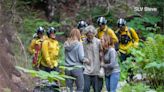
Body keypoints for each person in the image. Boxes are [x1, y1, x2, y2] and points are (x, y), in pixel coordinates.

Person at [83, 25, 103, 92]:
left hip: (96, 70)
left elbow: (102, 53)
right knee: (85, 89)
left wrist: (102, 67)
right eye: (88, 35)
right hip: (86, 70)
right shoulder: (83, 42)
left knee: (97, 90)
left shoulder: (98, 42)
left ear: (94, 34)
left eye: (91, 35)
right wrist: (83, 59)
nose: (90, 37)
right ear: (86, 35)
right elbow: (79, 54)